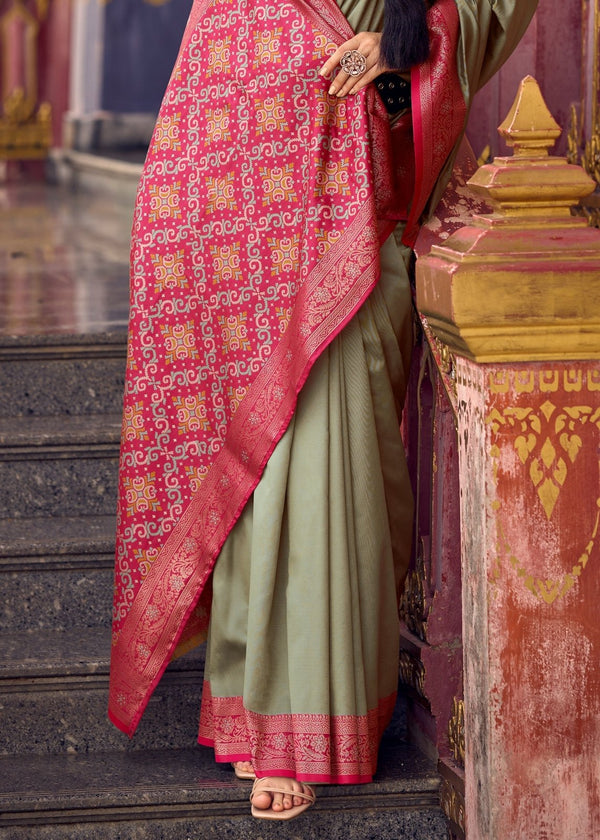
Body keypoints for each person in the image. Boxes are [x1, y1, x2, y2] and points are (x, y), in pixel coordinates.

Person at [108, 0, 538, 821]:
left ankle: (306, 727)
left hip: (357, 206)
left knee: (319, 458)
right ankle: (249, 712)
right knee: (259, 461)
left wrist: (406, 42)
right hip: (248, 206)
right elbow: (217, 52)